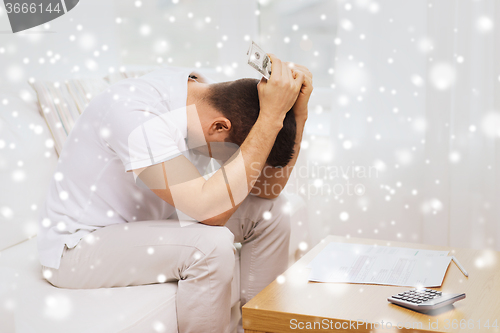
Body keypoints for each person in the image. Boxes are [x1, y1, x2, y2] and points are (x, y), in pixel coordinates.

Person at [38, 54, 313, 333]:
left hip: (148, 224)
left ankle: (261, 328)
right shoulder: (135, 114)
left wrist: (297, 113)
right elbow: (210, 212)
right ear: (220, 127)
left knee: (272, 213)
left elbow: (267, 190)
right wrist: (269, 117)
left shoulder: (207, 96)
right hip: (78, 248)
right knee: (209, 245)